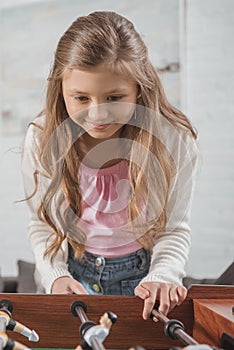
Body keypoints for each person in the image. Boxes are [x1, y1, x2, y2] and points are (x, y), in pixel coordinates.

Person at [22, 11, 199, 320]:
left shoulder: (174, 139)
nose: (97, 114)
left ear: (139, 89)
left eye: (115, 97)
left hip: (144, 281)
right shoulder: (41, 137)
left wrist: (164, 276)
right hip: (71, 275)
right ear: (61, 92)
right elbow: (42, 225)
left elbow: (174, 230)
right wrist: (55, 276)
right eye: (80, 98)